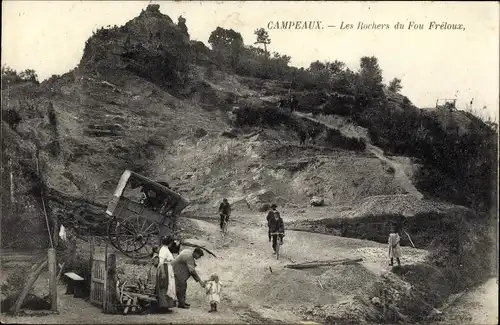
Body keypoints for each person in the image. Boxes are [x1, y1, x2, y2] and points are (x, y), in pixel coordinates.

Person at [156, 236, 177, 313]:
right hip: (164, 269)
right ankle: (163, 306)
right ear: (170, 243)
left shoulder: (166, 249)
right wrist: (163, 273)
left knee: (168, 286)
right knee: (164, 286)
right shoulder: (163, 250)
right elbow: (161, 262)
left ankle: (167, 305)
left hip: (168, 268)